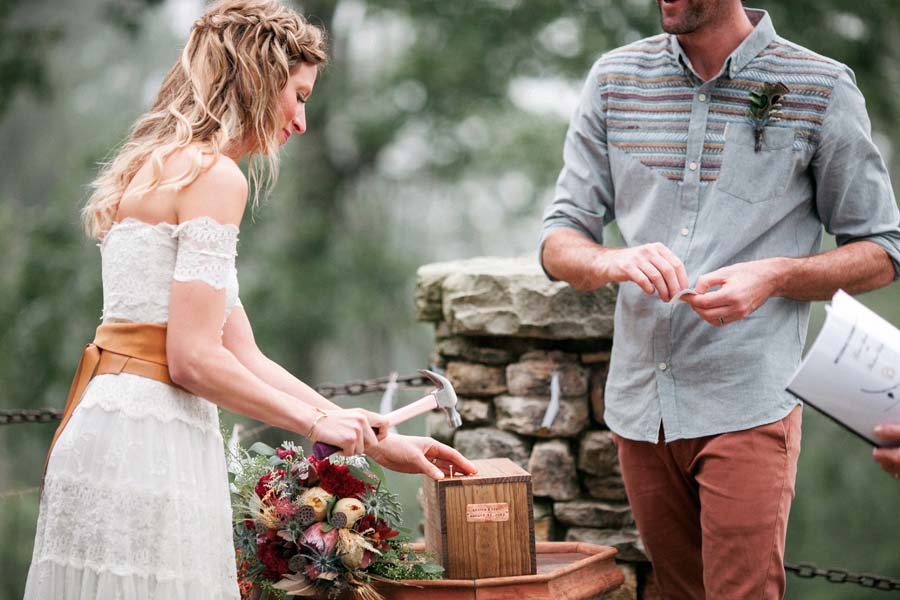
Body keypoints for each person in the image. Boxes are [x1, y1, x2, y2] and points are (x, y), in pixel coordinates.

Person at [24, 1, 475, 598]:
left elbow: (241, 353)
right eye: (300, 95)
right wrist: (319, 422)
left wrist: (377, 440)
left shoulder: (156, 167)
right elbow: (192, 361)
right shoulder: (214, 177)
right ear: (260, 80)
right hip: (149, 439)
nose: (301, 121)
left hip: (108, 426)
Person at [540, 1, 900, 598]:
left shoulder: (821, 87)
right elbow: (559, 238)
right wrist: (611, 259)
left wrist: (775, 275)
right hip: (639, 408)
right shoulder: (613, 79)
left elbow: (884, 249)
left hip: (748, 405)